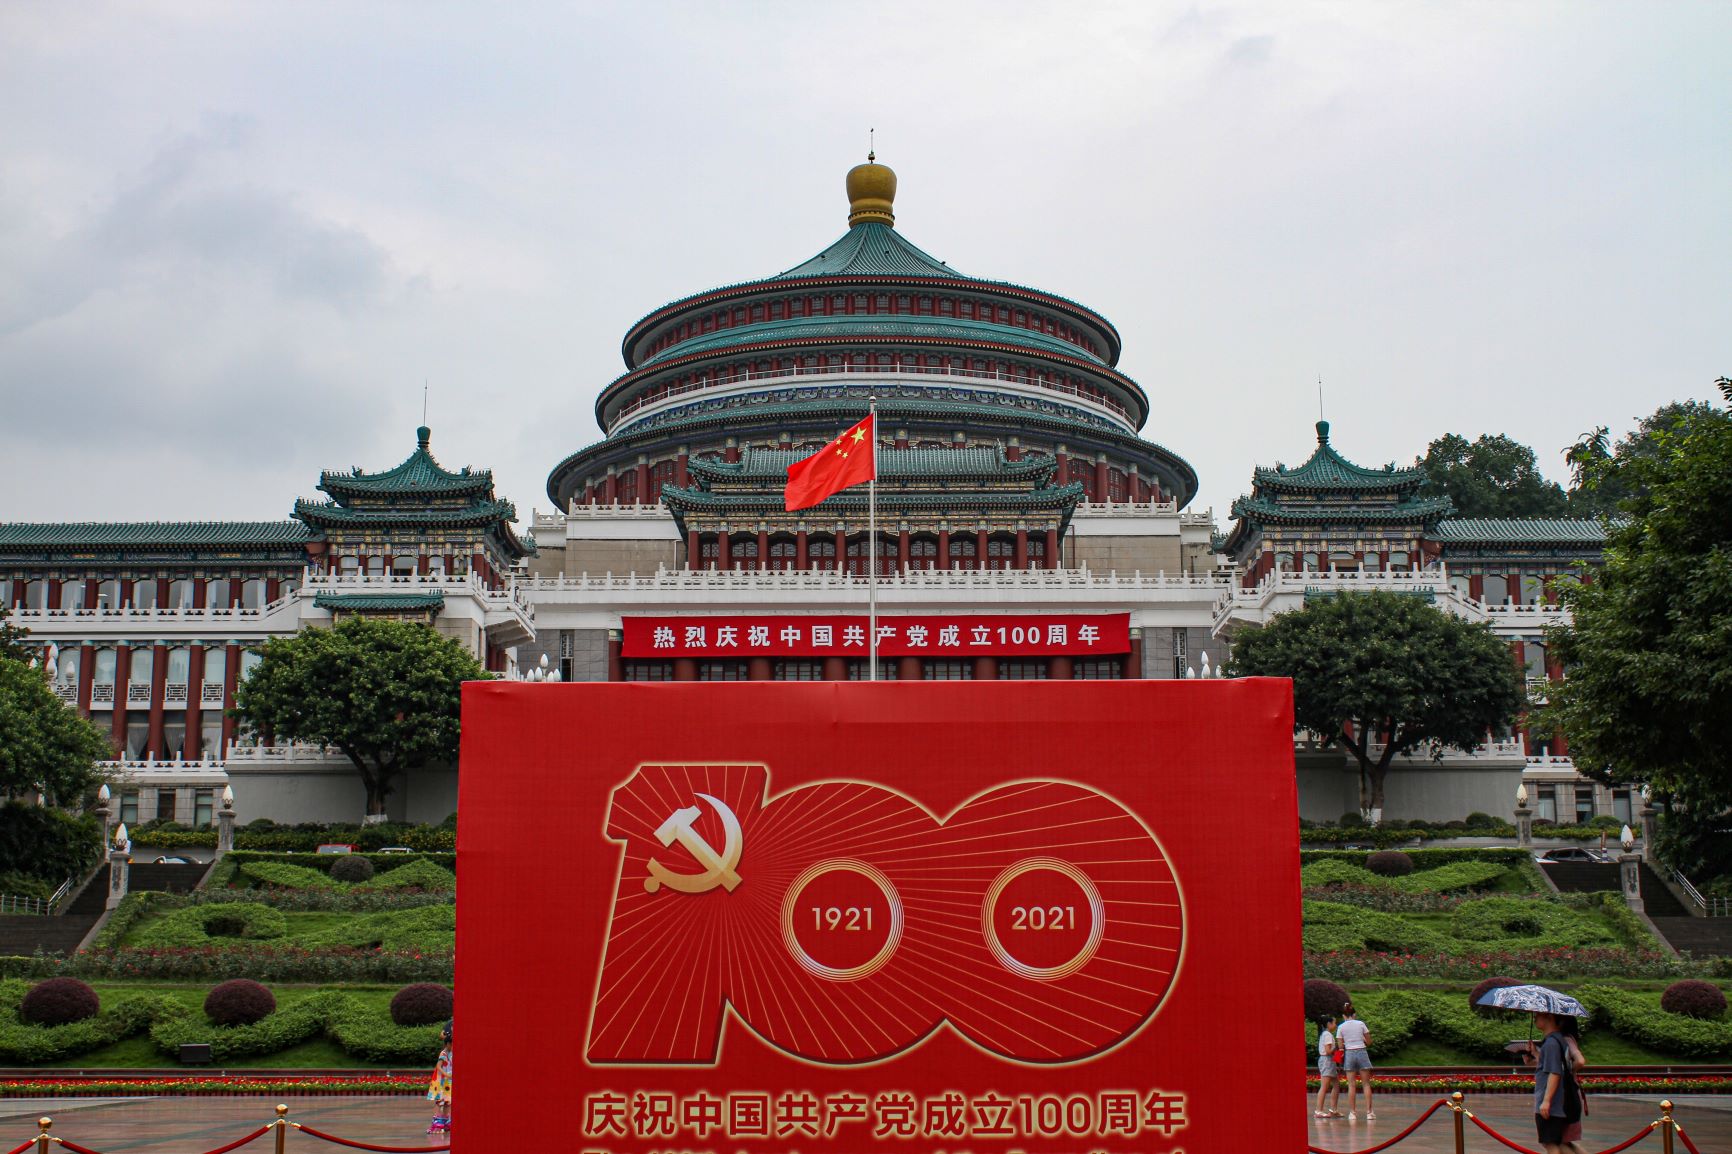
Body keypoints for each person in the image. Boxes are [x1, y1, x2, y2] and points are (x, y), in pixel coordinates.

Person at [1532, 1011, 1579, 1154]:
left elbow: (1555, 1072)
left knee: (1550, 1144)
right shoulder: (1559, 1040)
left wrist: (1546, 1101)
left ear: (1550, 1018)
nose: (1535, 1019)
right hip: (1559, 1102)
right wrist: (1535, 1054)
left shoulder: (1551, 1043)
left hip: (1552, 1103)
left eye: (1537, 1016)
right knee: (1561, 1144)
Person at [1336, 1002, 1374, 1121]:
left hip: (1350, 1054)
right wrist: (1362, 1039)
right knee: (1366, 1084)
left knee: (1351, 1085)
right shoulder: (1361, 1024)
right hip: (1362, 1052)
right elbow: (1369, 1042)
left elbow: (1340, 1046)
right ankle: (1369, 1112)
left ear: (1343, 1015)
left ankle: (1352, 1113)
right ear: (1354, 1014)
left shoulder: (1341, 1027)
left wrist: (1337, 1060)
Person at [1557, 1014, 1589, 1154]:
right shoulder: (1567, 1039)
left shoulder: (1565, 1040)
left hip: (1566, 1095)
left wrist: (1568, 1071)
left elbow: (1580, 1061)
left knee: (1558, 1142)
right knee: (1565, 1141)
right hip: (1569, 1093)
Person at [1314, 1014, 1343, 1118]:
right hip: (1327, 1061)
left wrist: (1337, 1060)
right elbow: (1328, 1051)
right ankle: (1319, 1111)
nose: (1335, 1025)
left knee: (1336, 1085)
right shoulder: (1327, 1035)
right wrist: (1338, 1051)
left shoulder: (1325, 1034)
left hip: (1329, 1061)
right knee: (1324, 1086)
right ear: (1328, 1024)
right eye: (1334, 1022)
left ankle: (1333, 1109)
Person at [427, 1020, 453, 1135]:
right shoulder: (443, 1053)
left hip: (448, 1082)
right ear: (447, 1044)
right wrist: (446, 1074)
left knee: (448, 1102)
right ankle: (436, 1123)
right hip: (441, 1081)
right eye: (451, 1044)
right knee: (439, 1101)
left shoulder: (453, 1053)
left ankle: (447, 1122)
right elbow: (438, 1066)